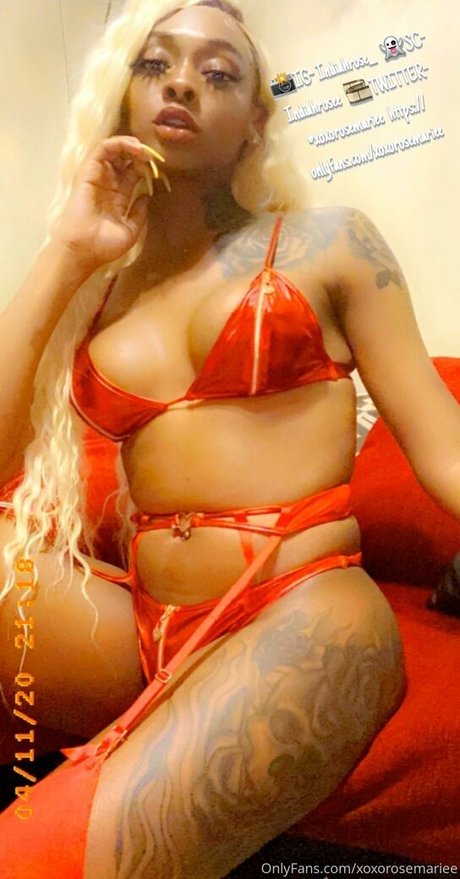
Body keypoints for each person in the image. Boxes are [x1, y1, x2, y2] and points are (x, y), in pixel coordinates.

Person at [0, 0, 459, 876]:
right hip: (141, 630)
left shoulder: (328, 242)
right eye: (155, 64)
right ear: (124, 94)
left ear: (255, 122)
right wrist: (67, 250)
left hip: (300, 608)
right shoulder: (102, 285)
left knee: (35, 857)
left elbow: (446, 452)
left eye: (218, 73)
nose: (182, 83)